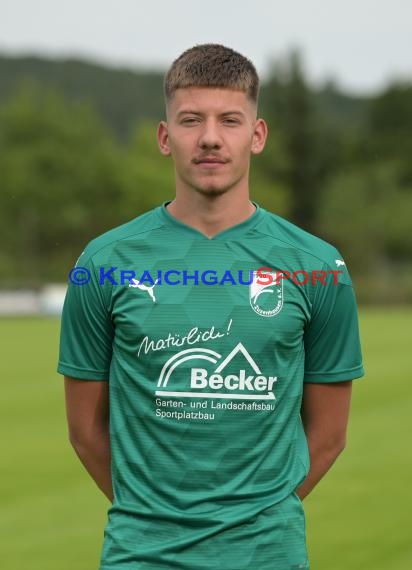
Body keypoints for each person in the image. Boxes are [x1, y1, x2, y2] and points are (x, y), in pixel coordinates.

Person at [58, 44, 364, 570]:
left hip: (268, 555)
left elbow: (330, 435)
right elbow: (85, 431)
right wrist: (152, 514)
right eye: (191, 120)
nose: (210, 138)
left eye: (230, 120)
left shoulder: (317, 266)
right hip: (141, 555)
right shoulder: (104, 263)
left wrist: (255, 519)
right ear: (164, 136)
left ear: (257, 134)